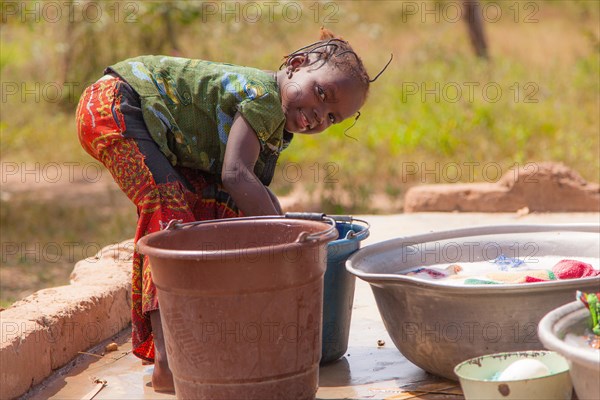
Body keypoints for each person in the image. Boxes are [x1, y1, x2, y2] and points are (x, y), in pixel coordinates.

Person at [76, 28, 378, 392]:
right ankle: (169, 362)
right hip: (115, 104)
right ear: (297, 65)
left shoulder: (275, 118)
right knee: (170, 214)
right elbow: (236, 174)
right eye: (321, 94)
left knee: (217, 208)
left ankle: (212, 340)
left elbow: (244, 192)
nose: (319, 116)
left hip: (133, 116)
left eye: (332, 117)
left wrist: (282, 230)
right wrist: (285, 241)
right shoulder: (267, 97)